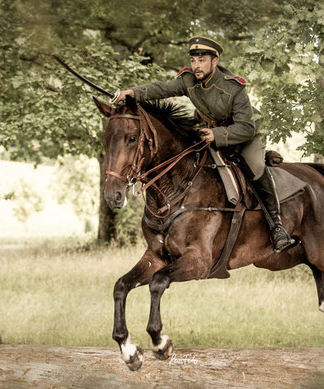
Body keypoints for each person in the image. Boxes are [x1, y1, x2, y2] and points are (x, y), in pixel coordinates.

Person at [113, 36, 292, 252]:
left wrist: (216, 135)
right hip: (211, 130)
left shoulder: (234, 88)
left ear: (214, 62)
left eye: (202, 61)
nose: (196, 66)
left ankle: (277, 226)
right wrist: (132, 93)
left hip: (246, 132)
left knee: (254, 167)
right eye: (194, 61)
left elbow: (246, 128)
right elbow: (162, 89)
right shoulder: (189, 80)